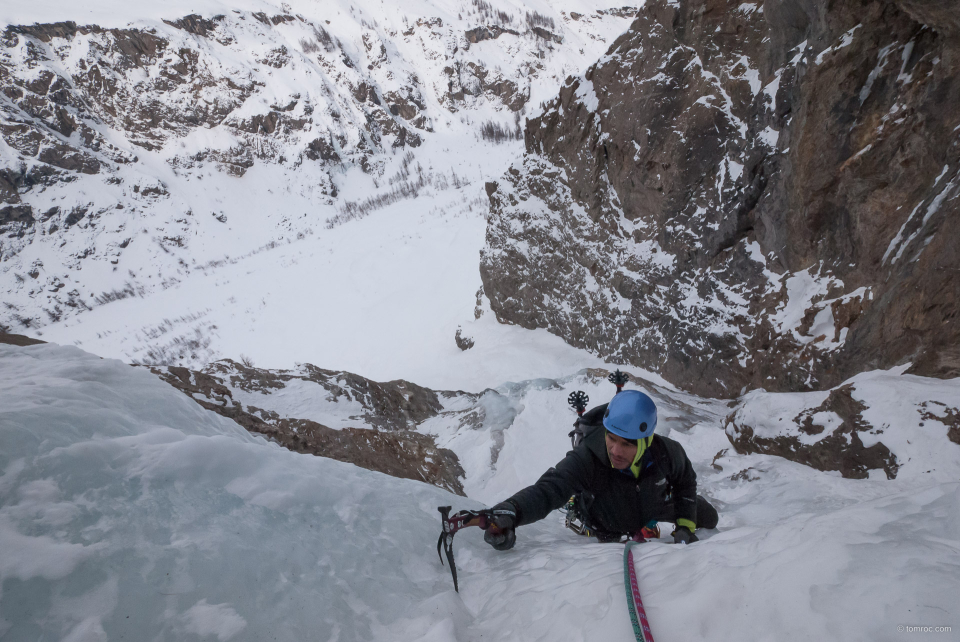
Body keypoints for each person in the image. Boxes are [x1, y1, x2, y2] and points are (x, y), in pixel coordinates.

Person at [482, 389, 719, 550]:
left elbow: (685, 481)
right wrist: (513, 511)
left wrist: (686, 526)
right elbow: (551, 489)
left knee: (710, 517)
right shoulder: (588, 458)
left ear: (646, 440)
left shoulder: (667, 452)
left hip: (651, 507)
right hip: (606, 522)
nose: (615, 450)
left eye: (627, 444)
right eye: (612, 438)